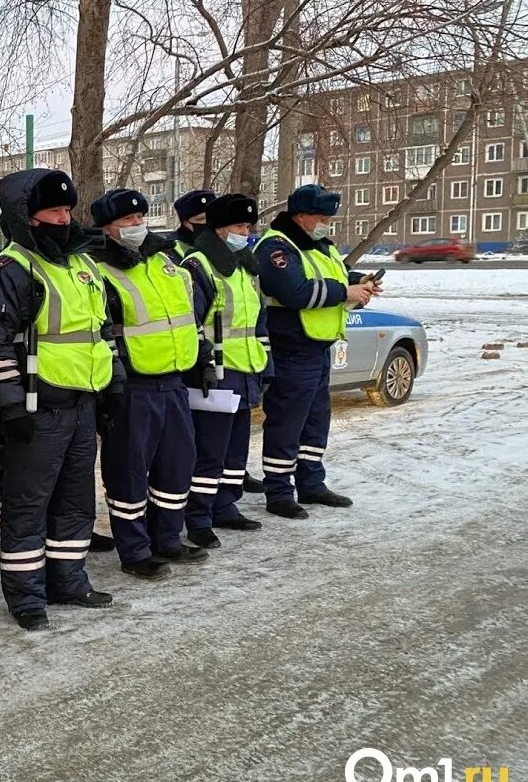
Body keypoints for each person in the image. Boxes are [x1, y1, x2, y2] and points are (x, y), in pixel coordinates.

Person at [0, 169, 122, 631]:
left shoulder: (83, 265)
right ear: (27, 218)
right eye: (53, 211)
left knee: (75, 503)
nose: (64, 218)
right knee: (26, 506)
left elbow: (103, 332)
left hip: (81, 405)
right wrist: (9, 408)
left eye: (68, 209)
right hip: (35, 412)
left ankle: (68, 581)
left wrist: (114, 389)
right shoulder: (8, 271)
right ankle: (26, 597)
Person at [89, 188, 211, 580]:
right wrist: (113, 382)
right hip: (132, 386)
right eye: (127, 221)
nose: (137, 225)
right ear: (107, 228)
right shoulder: (99, 269)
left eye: (140, 218)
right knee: (128, 470)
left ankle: (168, 539)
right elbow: (101, 331)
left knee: (176, 466)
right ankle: (135, 550)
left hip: (174, 381)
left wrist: (203, 356)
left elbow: (188, 317)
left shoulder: (165, 261)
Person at [254, 184, 378, 518]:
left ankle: (311, 482)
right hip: (291, 349)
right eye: (322, 216)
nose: (327, 222)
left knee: (315, 420)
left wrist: (359, 280)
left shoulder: (319, 245)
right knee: (286, 423)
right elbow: (295, 292)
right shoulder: (276, 247)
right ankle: (279, 491)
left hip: (318, 348)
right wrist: (344, 290)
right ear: (301, 215)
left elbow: (330, 275)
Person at [182, 193, 272, 547]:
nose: (246, 232)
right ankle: (198, 516)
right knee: (209, 449)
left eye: (249, 226)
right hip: (215, 372)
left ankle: (226, 506)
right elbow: (190, 322)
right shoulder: (198, 266)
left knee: (236, 448)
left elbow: (258, 322)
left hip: (246, 367)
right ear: (219, 229)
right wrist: (203, 362)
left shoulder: (246, 266)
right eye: (239, 226)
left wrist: (266, 366)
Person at [164, 188, 216, 263]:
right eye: (200, 219)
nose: (207, 223)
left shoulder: (227, 243)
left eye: (212, 217)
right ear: (185, 223)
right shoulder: (170, 249)